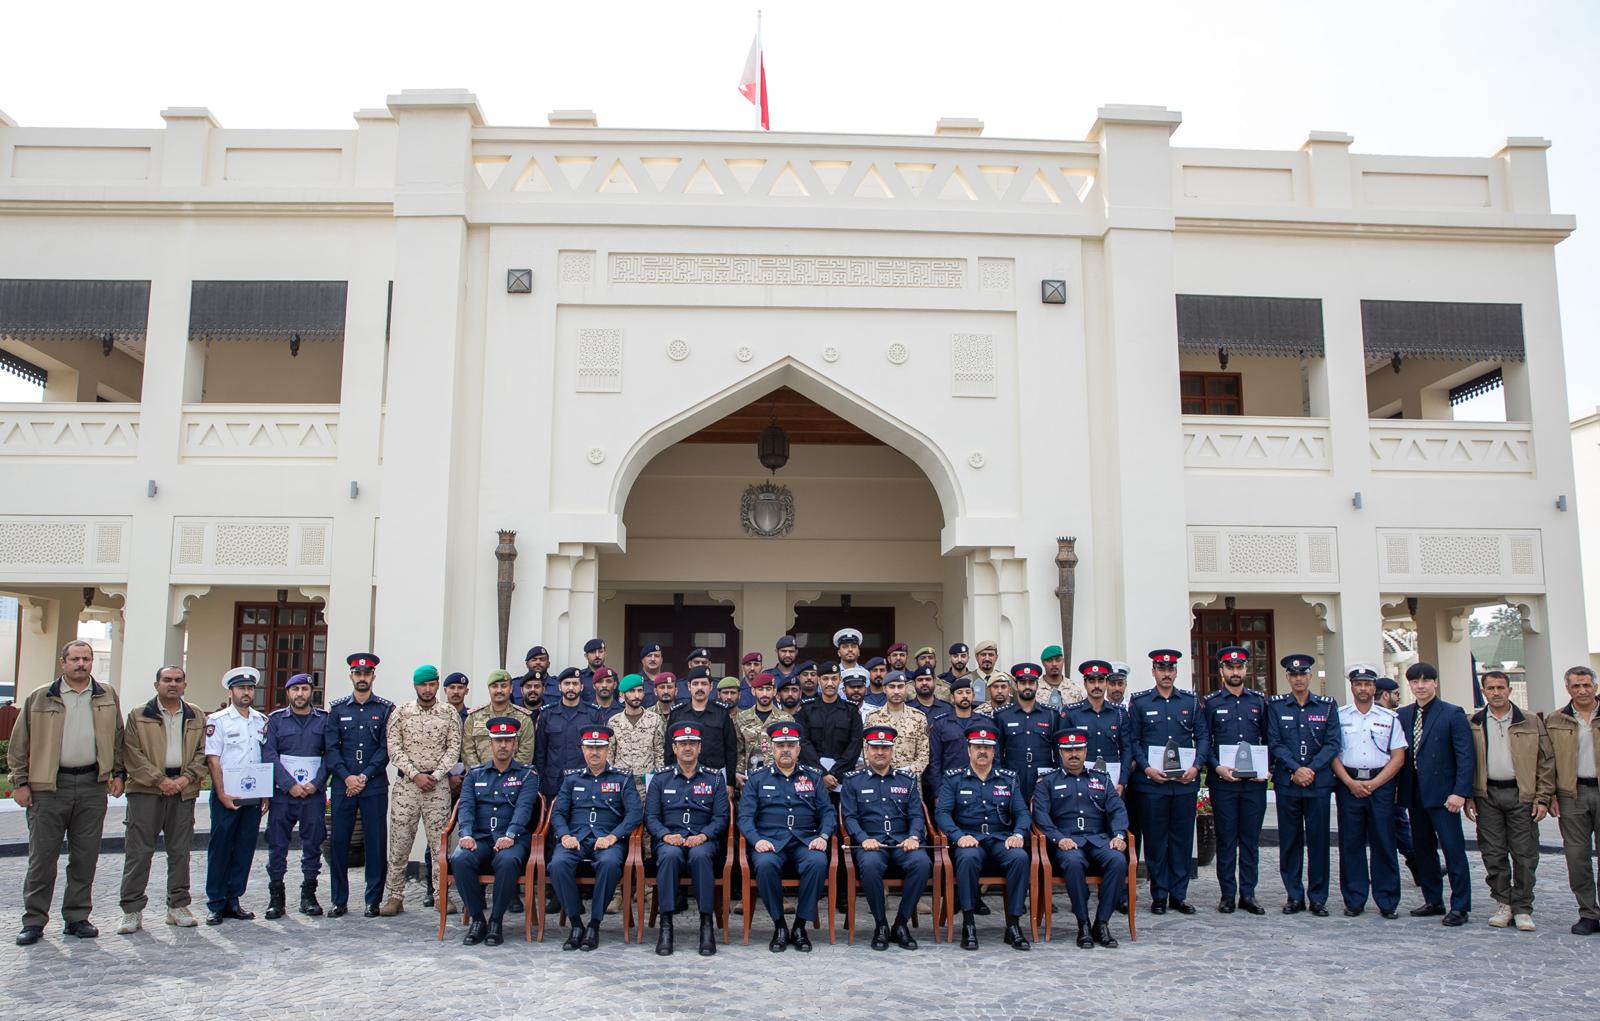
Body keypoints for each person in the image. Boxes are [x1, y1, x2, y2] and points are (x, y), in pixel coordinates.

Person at [10, 639, 125, 946]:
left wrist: (119, 773)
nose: (82, 664)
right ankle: (34, 921)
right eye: (75, 659)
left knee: (85, 857)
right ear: (63, 663)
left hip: (91, 785)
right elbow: (19, 743)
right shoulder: (41, 696)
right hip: (48, 787)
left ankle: (76, 917)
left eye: (86, 659)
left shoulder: (106, 695)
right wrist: (20, 782)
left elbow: (118, 738)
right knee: (42, 858)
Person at [116, 665, 207, 934]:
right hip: (146, 790)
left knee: (180, 851)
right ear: (157, 685)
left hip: (183, 789)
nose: (173, 684)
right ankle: (132, 910)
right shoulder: (138, 715)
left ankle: (177, 906)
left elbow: (203, 751)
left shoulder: (196, 715)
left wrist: (184, 779)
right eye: (167, 680)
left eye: (178, 680)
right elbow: (131, 753)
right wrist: (159, 780)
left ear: (185, 685)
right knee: (139, 852)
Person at [1466, 669, 1554, 931]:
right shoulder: (1475, 722)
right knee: (1493, 853)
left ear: (1509, 690)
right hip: (1488, 795)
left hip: (1521, 794)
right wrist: (1470, 795)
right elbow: (1466, 761)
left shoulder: (1529, 721)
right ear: (1483, 692)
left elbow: (1546, 762)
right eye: (1490, 688)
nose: (1496, 693)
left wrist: (1543, 797)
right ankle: (1503, 902)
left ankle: (1523, 906)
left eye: (1500, 688)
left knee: (1525, 854)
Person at [738, 721, 834, 952]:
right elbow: (745, 816)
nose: (785, 749)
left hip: (804, 840)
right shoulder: (758, 778)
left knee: (817, 862)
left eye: (791, 744)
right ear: (772, 748)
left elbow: (828, 811)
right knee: (765, 864)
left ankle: (800, 926)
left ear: (799, 749)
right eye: (780, 745)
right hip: (770, 842)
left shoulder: (812, 777)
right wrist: (756, 840)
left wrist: (823, 835)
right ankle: (779, 925)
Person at [936, 722, 1031, 950]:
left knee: (1020, 857)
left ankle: (1014, 925)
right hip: (969, 838)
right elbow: (942, 813)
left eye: (987, 747)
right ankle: (968, 924)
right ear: (968, 749)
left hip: (1000, 838)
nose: (982, 751)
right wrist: (958, 836)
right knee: (968, 857)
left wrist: (1018, 834)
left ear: (994, 750)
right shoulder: (954, 778)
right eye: (977, 746)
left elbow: (1021, 812)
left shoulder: (1008, 778)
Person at [1128, 648, 1208, 915]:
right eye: (1161, 669)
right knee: (1155, 841)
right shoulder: (1140, 703)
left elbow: (1203, 738)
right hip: (1152, 785)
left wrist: (1196, 767)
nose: (1166, 674)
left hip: (1183, 784)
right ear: (1153, 672)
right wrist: (1147, 768)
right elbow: (1134, 741)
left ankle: (1179, 894)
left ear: (1175, 672)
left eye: (1170, 669)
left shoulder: (1190, 702)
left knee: (1183, 841)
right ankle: (1159, 894)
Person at [1396, 661, 1476, 926]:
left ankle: (1460, 905)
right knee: (1423, 849)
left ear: (1435, 683)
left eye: (1425, 681)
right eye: (1415, 682)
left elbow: (1465, 756)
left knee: (1453, 850)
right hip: (1415, 794)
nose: (1420, 686)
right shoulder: (1403, 715)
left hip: (1445, 796)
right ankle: (1433, 900)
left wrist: (1460, 792)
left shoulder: (1452, 713)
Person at [550, 724, 643, 950]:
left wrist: (614, 836)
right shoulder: (572, 780)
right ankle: (576, 924)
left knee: (610, 864)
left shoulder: (622, 779)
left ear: (607, 749)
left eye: (599, 747)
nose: (595, 752)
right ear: (582, 750)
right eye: (590, 748)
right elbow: (559, 812)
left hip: (607, 839)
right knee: (558, 864)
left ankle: (594, 923)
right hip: (576, 838)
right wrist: (564, 835)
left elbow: (634, 813)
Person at [379, 665, 463, 916]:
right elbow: (394, 748)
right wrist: (416, 775)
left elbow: (453, 748)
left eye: (431, 684)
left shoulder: (448, 713)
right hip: (408, 785)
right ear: (415, 686)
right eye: (422, 684)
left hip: (437, 787)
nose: (427, 689)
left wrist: (435, 776)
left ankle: (440, 894)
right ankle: (394, 895)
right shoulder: (401, 713)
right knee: (399, 841)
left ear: (438, 685)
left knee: (440, 844)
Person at [1033, 729, 1128, 948]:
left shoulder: (1101, 780)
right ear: (1060, 753)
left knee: (1118, 860)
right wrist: (1058, 839)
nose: (1073, 754)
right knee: (1073, 862)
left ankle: (1102, 923)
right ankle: (1083, 923)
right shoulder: (1047, 781)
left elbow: (1117, 810)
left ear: (1086, 751)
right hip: (1066, 841)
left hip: (1098, 839)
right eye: (1068, 750)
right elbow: (1041, 816)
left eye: (1077, 749)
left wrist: (1119, 835)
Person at [449, 716, 539, 947]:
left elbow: (524, 809)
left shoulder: (527, 775)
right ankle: (478, 919)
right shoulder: (475, 775)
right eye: (498, 741)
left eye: (508, 741)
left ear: (515, 743)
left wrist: (510, 835)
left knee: (508, 862)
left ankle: (496, 920)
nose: (503, 745)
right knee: (460, 859)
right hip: (479, 838)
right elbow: (466, 806)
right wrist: (465, 834)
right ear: (490, 744)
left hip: (513, 839)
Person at [841, 726, 930, 950]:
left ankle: (901, 923)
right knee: (870, 865)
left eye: (885, 748)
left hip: (902, 842)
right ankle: (881, 924)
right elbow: (849, 817)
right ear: (867, 750)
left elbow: (917, 815)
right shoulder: (853, 781)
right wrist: (862, 839)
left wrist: (914, 837)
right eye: (875, 748)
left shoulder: (906, 780)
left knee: (922, 863)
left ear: (892, 751)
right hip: (872, 844)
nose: (880, 752)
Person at [646, 722, 728, 956]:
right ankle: (666, 926)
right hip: (669, 839)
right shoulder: (660, 779)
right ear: (674, 747)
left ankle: (706, 926)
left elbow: (721, 817)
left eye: (692, 743)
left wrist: (703, 835)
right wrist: (665, 835)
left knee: (701, 856)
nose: (688, 748)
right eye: (683, 744)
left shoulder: (714, 779)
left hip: (703, 840)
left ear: (700, 748)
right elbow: (651, 817)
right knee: (669, 856)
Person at [1267, 652, 1340, 916]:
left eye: (1303, 674)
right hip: (1289, 783)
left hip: (1317, 783)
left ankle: (1318, 897)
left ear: (1310, 676)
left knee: (1319, 842)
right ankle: (1294, 895)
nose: (1298, 679)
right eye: (1293, 674)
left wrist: (1310, 769)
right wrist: (1296, 769)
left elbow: (1333, 743)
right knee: (1290, 841)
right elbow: (1274, 743)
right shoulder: (1276, 706)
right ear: (1287, 677)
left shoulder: (1327, 706)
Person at [1332, 664, 1407, 918]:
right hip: (1348, 784)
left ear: (1374, 688)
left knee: (1384, 842)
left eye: (1367, 684)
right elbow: (1333, 754)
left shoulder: (1389, 718)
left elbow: (1397, 756)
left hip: (1381, 786)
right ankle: (1354, 899)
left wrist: (1376, 784)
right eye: (1358, 684)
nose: (1363, 688)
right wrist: (1350, 782)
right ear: (1352, 687)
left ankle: (1387, 900)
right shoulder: (1340, 716)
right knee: (1351, 843)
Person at [324, 651, 393, 918]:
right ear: (351, 676)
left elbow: (386, 748)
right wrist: (347, 777)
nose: (362, 678)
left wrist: (363, 777)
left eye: (366, 674)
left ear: (373, 676)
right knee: (339, 842)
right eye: (357, 673)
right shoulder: (338, 709)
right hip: (343, 785)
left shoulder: (385, 709)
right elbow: (331, 748)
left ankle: (372, 899)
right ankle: (338, 899)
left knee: (375, 842)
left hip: (373, 784)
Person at [1202, 646, 1270, 915]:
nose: (1235, 672)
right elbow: (1205, 742)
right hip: (1224, 783)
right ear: (1221, 671)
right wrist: (1216, 768)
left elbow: (1270, 739)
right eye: (1229, 667)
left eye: (1239, 667)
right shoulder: (1211, 703)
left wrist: (1269, 769)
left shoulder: (1259, 702)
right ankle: (1228, 894)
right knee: (1227, 839)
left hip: (1254, 784)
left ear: (1246, 669)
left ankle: (1249, 894)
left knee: (1250, 840)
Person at [261, 673, 330, 919]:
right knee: (277, 845)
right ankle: (276, 898)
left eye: (304, 689)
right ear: (288, 693)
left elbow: (330, 753)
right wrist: (289, 784)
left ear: (312, 692)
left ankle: (308, 896)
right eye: (295, 689)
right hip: (283, 795)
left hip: (312, 795)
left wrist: (316, 783)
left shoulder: (323, 720)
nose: (300, 694)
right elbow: (269, 754)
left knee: (312, 845)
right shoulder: (276, 720)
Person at [203, 667, 268, 926]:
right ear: (231, 691)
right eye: (241, 688)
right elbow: (213, 760)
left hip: (252, 796)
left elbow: (264, 759)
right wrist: (221, 793)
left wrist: (265, 794)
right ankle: (216, 902)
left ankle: (234, 898)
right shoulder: (218, 721)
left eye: (250, 688)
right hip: (227, 795)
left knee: (244, 848)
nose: (246, 693)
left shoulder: (261, 721)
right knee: (221, 848)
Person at [1545, 665, 1600, 934]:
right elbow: (1547, 762)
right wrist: (1551, 794)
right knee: (1577, 856)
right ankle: (1588, 912)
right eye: (1576, 686)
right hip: (1572, 794)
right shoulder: (1556, 720)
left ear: (1595, 687)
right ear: (1568, 689)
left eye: (1586, 685)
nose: (1582, 690)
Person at [535, 668, 606, 804]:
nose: (571, 687)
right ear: (559, 687)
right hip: (553, 784)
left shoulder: (593, 714)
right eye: (567, 684)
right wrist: (540, 784)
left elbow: (600, 751)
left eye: (575, 684)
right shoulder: (547, 714)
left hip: (585, 782)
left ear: (582, 687)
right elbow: (540, 753)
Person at [1375, 674, 1420, 884]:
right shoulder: (1392, 718)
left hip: (1389, 781)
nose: (1398, 697)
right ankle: (1415, 862)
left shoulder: (1394, 716)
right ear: (1385, 694)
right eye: (1395, 693)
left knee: (1396, 825)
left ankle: (1415, 863)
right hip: (1386, 782)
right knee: (1398, 825)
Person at [995, 662, 1058, 803]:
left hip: (1043, 777)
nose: (1027, 686)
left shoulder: (1051, 715)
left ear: (1037, 685)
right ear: (1016, 686)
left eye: (1031, 682)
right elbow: (997, 752)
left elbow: (1058, 752)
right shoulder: (1003, 715)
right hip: (1013, 776)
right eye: (1023, 683)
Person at [797, 664, 864, 794]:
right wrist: (821, 774)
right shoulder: (806, 709)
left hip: (841, 778)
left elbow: (855, 745)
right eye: (825, 678)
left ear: (840, 680)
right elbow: (803, 743)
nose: (830, 683)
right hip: (812, 776)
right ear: (818, 680)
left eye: (834, 679)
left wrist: (834, 774)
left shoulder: (851, 711)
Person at [666, 667, 738, 780]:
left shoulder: (722, 713)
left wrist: (730, 782)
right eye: (695, 684)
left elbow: (731, 750)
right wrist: (669, 779)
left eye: (704, 683)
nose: (700, 687)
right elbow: (669, 750)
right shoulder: (677, 713)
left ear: (711, 687)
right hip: (683, 776)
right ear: (689, 687)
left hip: (715, 776)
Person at [609, 675, 665, 800]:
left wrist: (658, 783)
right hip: (621, 785)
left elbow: (659, 754)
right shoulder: (614, 722)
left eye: (640, 691)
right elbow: (610, 756)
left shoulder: (654, 720)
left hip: (647, 786)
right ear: (622, 695)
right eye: (632, 691)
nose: (637, 695)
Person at [464, 670, 536, 768]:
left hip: (513, 780)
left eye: (503, 686)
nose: (499, 690)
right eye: (494, 686)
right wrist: (479, 775)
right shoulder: (473, 717)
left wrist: (509, 776)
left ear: (511, 689)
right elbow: (468, 751)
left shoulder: (524, 718)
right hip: (480, 778)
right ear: (488, 689)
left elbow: (526, 752)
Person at [864, 672, 931, 776]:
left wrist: (905, 773)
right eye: (892, 687)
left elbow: (924, 755)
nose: (896, 691)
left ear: (906, 688)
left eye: (900, 687)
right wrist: (881, 773)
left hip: (909, 781)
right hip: (880, 780)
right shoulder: (873, 717)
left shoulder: (919, 717)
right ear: (884, 689)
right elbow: (867, 752)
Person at [734, 673, 793, 785]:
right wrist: (738, 772)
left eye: (768, 689)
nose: (765, 694)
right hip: (750, 779)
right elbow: (739, 751)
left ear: (774, 692)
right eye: (760, 689)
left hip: (779, 779)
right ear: (753, 691)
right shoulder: (742, 718)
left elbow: (792, 751)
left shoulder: (786, 719)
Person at [1037, 645, 1085, 711]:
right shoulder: (1034, 689)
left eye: (1058, 660)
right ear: (1043, 663)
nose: (1054, 664)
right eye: (1049, 660)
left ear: (1063, 661)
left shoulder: (1077, 689)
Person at [969, 640, 1008, 706]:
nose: (987, 658)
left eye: (991, 655)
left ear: (996, 657)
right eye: (983, 655)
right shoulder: (967, 679)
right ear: (976, 657)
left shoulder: (1007, 680)